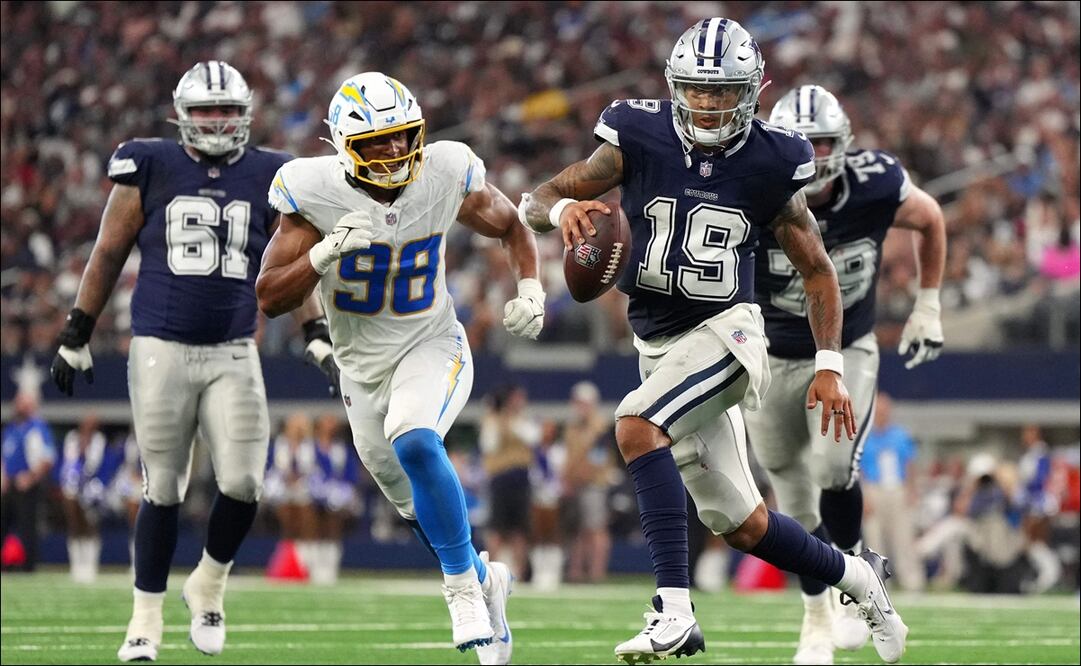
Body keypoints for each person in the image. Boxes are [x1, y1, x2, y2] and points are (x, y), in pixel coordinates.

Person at [521, 19, 907, 664]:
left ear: (751, 91)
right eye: (697, 90)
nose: (708, 103)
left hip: (727, 334)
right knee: (745, 526)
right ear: (675, 88)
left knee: (635, 424)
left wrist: (830, 365)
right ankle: (859, 579)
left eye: (723, 91)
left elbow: (817, 269)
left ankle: (673, 613)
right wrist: (564, 214)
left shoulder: (773, 159)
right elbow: (542, 196)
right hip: (658, 345)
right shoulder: (635, 136)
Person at [47, 61, 337, 662]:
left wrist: (314, 331)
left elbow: (286, 264)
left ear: (245, 115)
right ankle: (144, 620)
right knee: (165, 488)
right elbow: (107, 252)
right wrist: (77, 330)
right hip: (159, 347)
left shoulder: (270, 172)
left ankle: (208, 582)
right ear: (181, 113)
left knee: (244, 481)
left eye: (226, 110)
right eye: (205, 110)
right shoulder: (148, 163)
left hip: (234, 347)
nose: (215, 121)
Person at [256, 71, 542, 663]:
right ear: (342, 146)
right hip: (361, 370)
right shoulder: (309, 190)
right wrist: (322, 252)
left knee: (414, 439)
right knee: (415, 507)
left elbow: (511, 224)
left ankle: (462, 590)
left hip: (432, 343)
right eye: (375, 142)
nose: (392, 151)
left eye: (401, 136)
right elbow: (269, 294)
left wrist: (532, 287)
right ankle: (485, 581)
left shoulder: (443, 169)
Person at [745, 84, 946, 663]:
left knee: (833, 466)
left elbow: (930, 218)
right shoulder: (755, 188)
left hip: (849, 346)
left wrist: (928, 304)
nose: (812, 152)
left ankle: (861, 581)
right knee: (793, 495)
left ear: (846, 143)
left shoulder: (875, 183)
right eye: (800, 142)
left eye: (823, 141)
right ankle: (814, 617)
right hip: (773, 354)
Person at [859, 393, 925, 592]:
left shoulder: (900, 435)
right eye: (877, 411)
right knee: (875, 537)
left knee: (904, 537)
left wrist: (912, 490)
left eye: (884, 411)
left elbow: (910, 464)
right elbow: (859, 470)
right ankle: (877, 584)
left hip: (897, 489)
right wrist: (863, 497)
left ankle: (912, 583)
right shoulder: (864, 436)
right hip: (873, 489)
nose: (881, 415)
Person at [479, 384, 538, 580]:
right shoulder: (493, 421)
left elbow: (533, 437)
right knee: (497, 528)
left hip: (520, 479)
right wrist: (499, 419)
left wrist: (511, 422)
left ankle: (520, 573)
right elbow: (489, 445)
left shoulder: (521, 421)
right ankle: (489, 574)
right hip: (501, 479)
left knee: (519, 529)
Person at [1, 391, 57, 573]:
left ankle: (28, 567)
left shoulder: (37, 427)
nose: (20, 407)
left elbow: (47, 458)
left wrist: (31, 477)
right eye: (18, 403)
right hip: (8, 484)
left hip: (27, 485)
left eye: (24, 403)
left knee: (27, 527)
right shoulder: (11, 428)